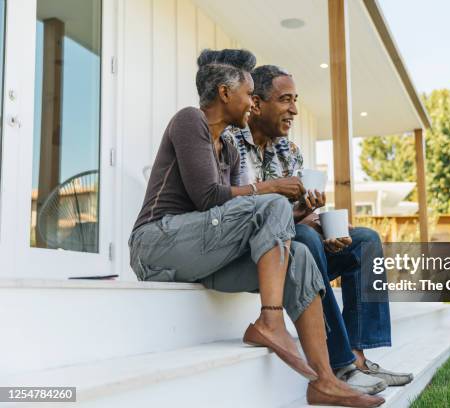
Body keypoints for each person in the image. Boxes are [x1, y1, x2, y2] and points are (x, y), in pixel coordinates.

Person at [128, 49, 384, 408]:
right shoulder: (190, 121)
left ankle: (325, 380)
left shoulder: (229, 151)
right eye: (249, 94)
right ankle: (270, 320)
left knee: (298, 258)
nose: (252, 104)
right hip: (156, 244)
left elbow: (244, 214)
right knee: (273, 202)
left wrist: (296, 212)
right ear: (224, 93)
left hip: (203, 255)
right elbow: (208, 197)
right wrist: (274, 188)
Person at [224, 65, 414, 395]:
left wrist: (324, 223)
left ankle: (357, 357)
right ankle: (338, 364)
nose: (294, 110)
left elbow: (299, 213)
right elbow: (233, 213)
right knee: (308, 238)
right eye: (285, 100)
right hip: (257, 253)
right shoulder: (230, 144)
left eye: (295, 100)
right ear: (256, 102)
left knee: (365, 240)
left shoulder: (290, 150)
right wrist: (304, 223)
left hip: (297, 240)